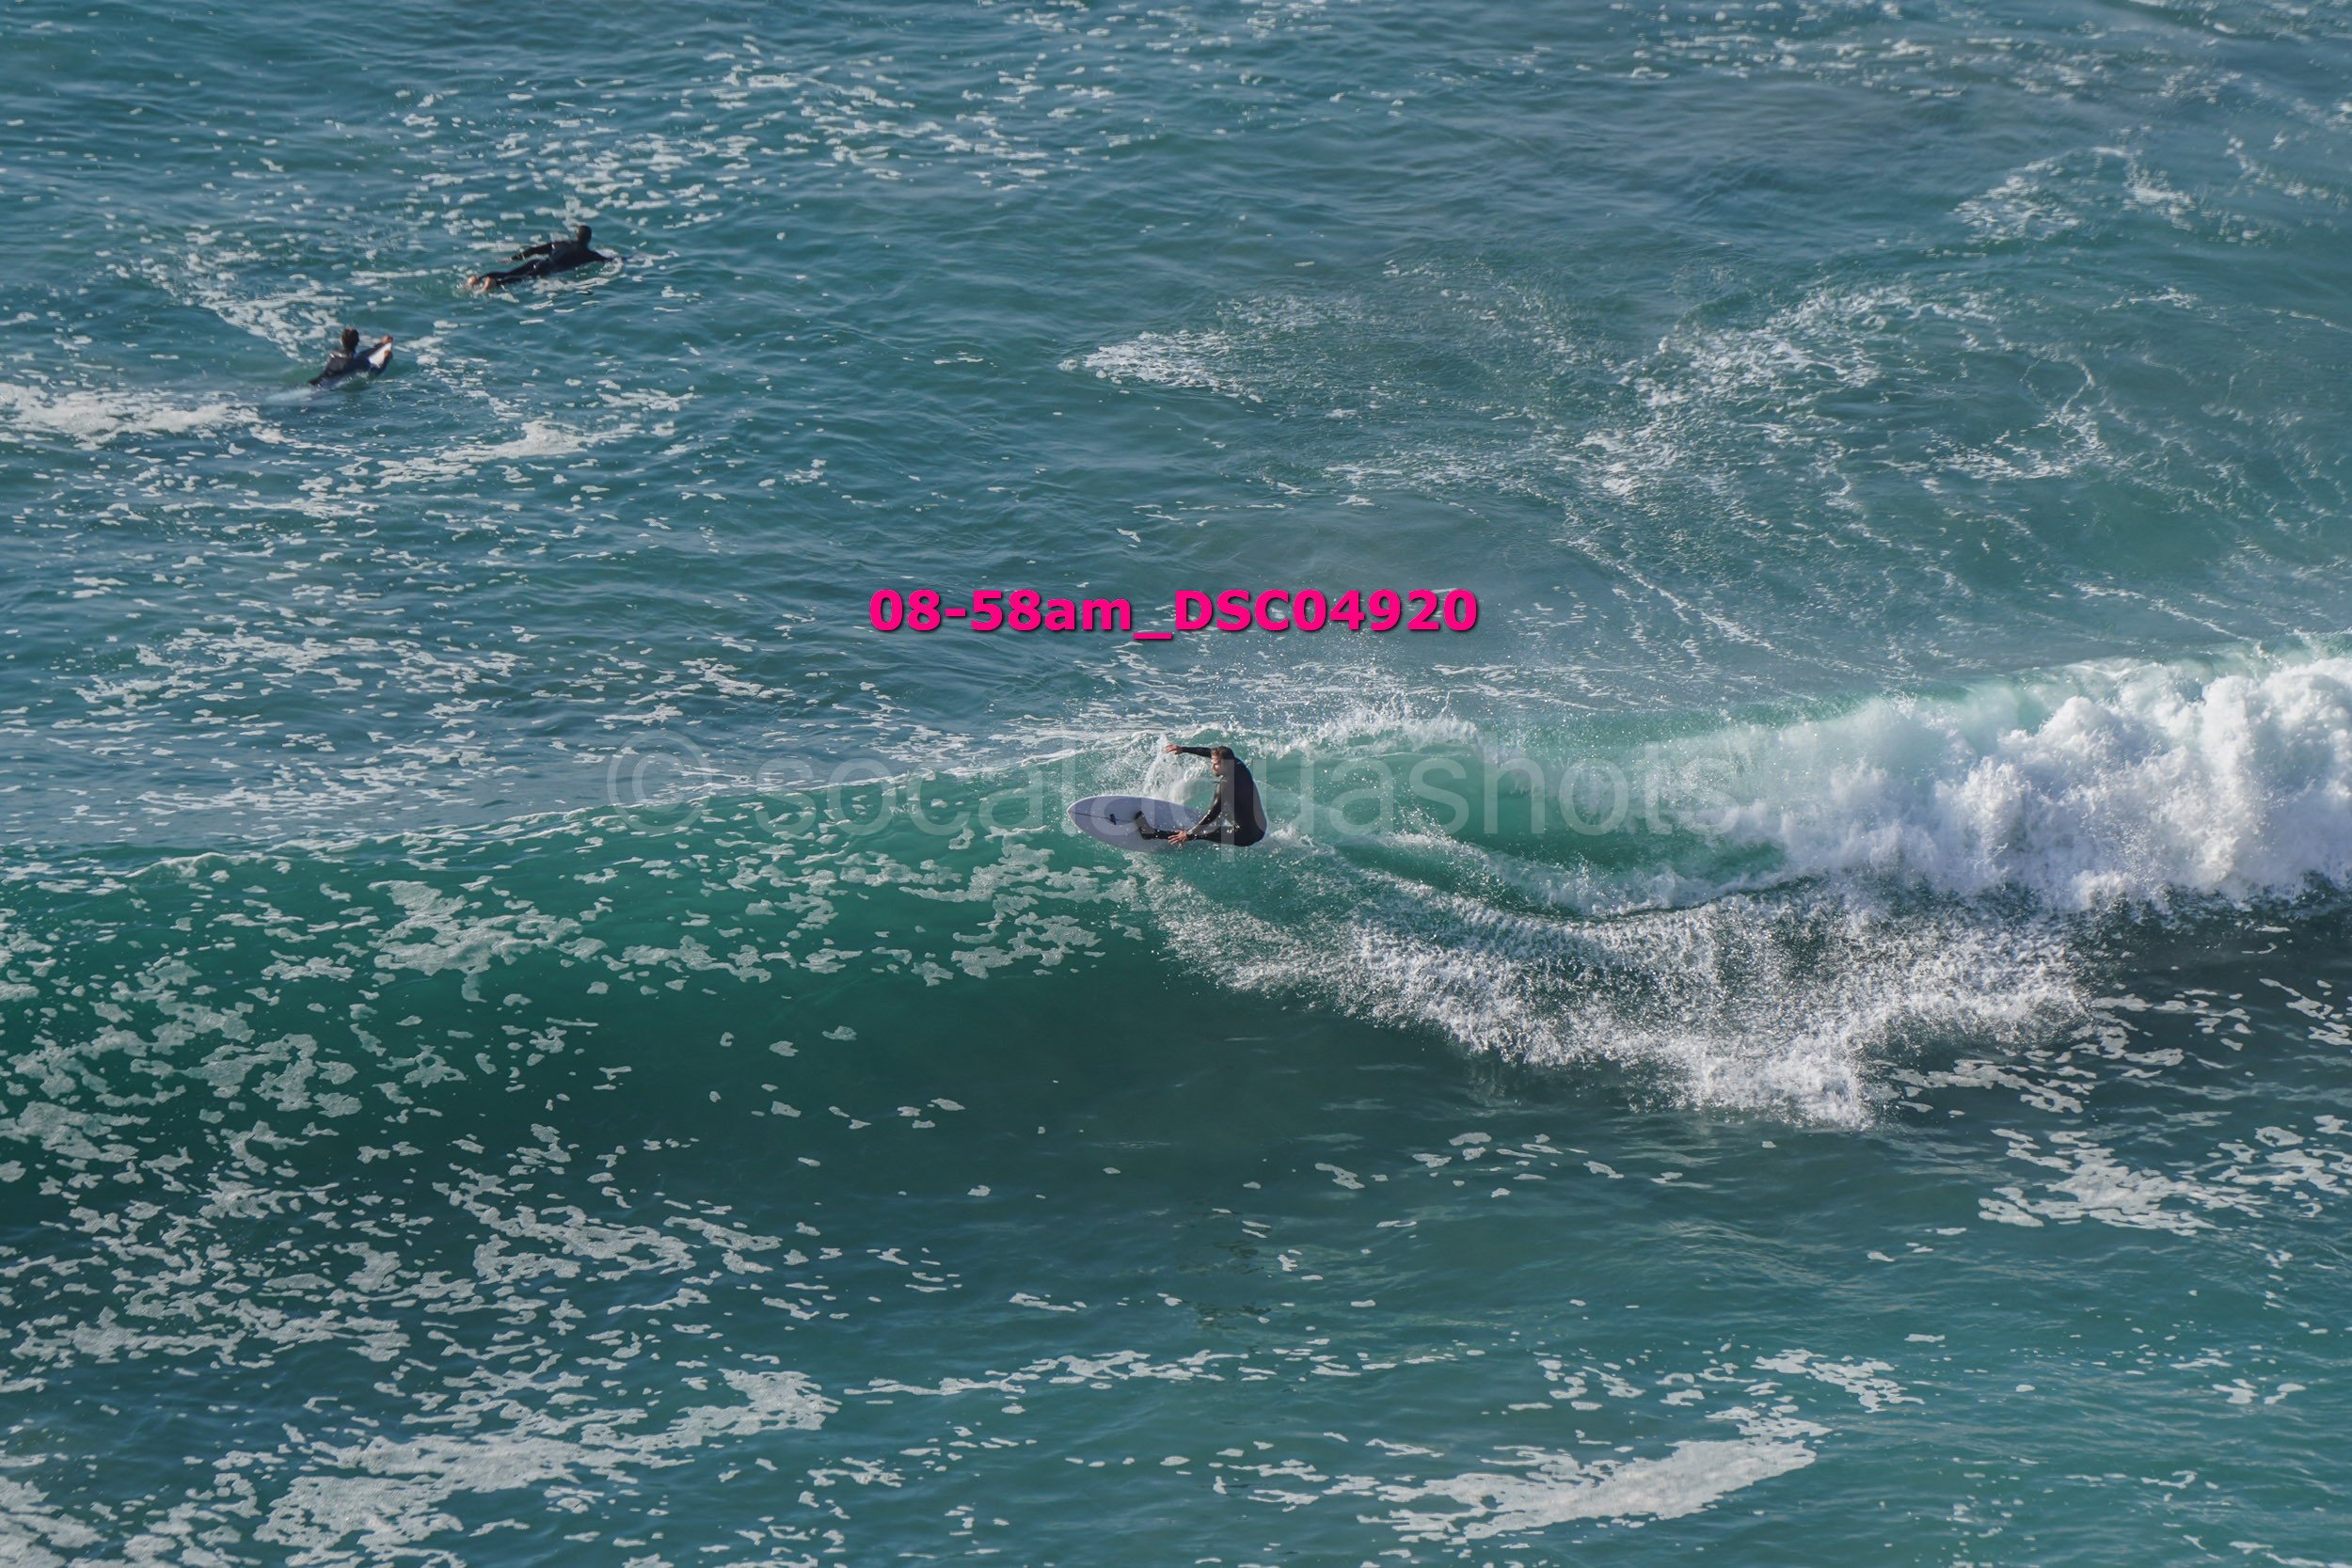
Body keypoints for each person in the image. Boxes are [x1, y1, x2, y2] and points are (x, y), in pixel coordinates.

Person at [1148, 743, 1267, 847]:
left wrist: (1189, 834)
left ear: (1224, 764)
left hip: (1244, 836)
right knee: (1227, 807)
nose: (1212, 767)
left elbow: (1212, 814)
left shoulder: (1225, 785)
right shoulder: (1239, 765)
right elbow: (1208, 752)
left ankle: (1151, 833)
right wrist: (1183, 749)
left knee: (1200, 833)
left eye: (1215, 764)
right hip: (1261, 829)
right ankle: (1218, 830)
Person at [469, 224, 612, 291]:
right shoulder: (589, 255)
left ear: (575, 235)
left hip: (538, 261)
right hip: (548, 268)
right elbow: (609, 260)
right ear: (589, 239)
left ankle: (478, 279)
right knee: (525, 278)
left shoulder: (560, 243)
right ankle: (495, 284)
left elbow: (535, 250)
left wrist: (514, 258)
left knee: (511, 273)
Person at [310, 327, 392, 387]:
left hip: (316, 382)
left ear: (341, 341)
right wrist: (386, 359)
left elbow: (359, 355)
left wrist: (381, 344)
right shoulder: (359, 360)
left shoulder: (334, 352)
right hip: (327, 387)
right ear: (358, 342)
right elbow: (376, 373)